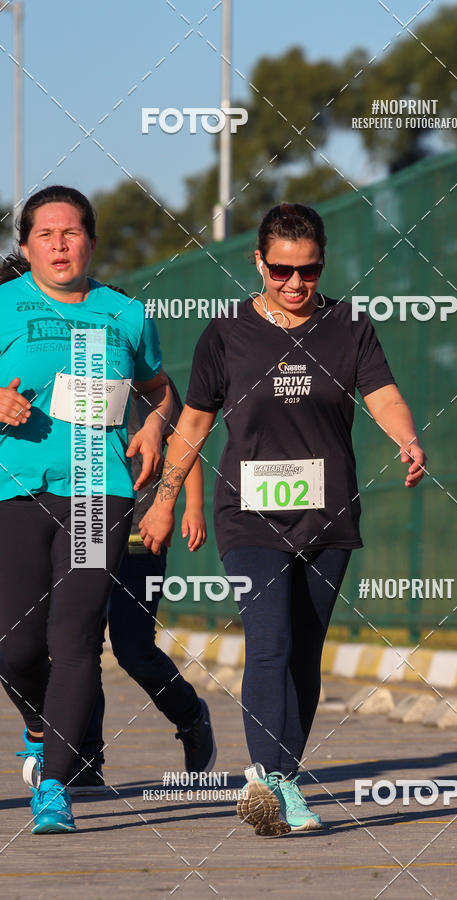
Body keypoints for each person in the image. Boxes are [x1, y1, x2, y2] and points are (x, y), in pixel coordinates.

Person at [139, 202, 426, 836]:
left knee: (305, 650)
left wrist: (406, 439)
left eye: (309, 271)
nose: (295, 285)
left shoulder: (349, 327)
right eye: (280, 271)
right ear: (259, 263)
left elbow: (384, 395)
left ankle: (287, 780)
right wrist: (165, 498)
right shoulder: (226, 334)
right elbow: (193, 423)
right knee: (269, 641)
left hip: (328, 514)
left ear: (322, 264)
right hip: (249, 513)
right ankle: (266, 780)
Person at [0, 185, 173, 834]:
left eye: (71, 233)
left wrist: (155, 425)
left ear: (92, 243)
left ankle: (54, 787)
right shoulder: (3, 305)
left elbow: (159, 389)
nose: (59, 245)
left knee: (73, 638)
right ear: (26, 247)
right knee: (15, 646)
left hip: (99, 491)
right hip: (13, 487)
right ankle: (41, 727)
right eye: (45, 235)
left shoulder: (125, 313)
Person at [73, 370, 216, 793]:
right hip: (83, 529)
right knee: (79, 646)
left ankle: (190, 716)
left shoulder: (153, 382)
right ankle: (86, 757)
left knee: (133, 650)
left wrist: (192, 507)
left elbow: (183, 443)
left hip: (141, 528)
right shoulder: (69, 369)